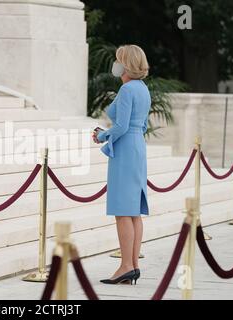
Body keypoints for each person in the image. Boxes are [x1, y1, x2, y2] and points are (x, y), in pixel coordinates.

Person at [92, 45, 151, 285]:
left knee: (122, 211)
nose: (115, 65)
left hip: (126, 149)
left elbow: (122, 126)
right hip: (137, 147)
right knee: (133, 211)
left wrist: (102, 136)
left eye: (118, 60)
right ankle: (133, 265)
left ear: (126, 64)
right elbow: (141, 125)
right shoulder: (143, 89)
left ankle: (126, 265)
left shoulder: (127, 89)